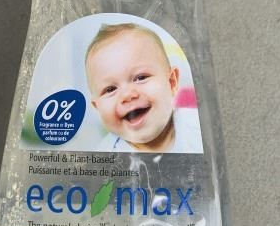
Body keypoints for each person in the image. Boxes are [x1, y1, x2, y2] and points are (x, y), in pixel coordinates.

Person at [85, 23, 203, 153]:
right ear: (97, 107)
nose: (127, 95)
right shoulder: (105, 155)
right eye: (110, 89)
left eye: (141, 78)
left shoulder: (197, 127)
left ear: (171, 82)